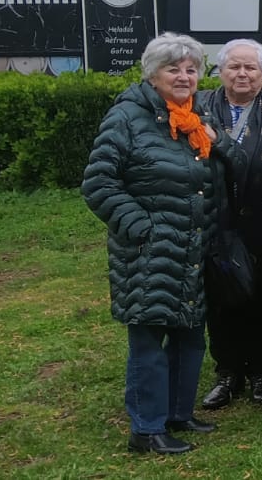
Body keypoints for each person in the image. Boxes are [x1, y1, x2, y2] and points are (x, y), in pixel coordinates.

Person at [83, 33, 226, 455]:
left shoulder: (192, 118)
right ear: (152, 73)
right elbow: (98, 183)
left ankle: (177, 413)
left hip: (191, 249)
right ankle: (146, 430)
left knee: (189, 336)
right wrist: (142, 229)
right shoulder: (128, 116)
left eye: (191, 69)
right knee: (149, 340)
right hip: (148, 251)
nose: (184, 76)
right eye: (173, 68)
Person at [197, 39, 262, 411]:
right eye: (234, 67)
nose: (243, 74)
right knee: (222, 298)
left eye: (251, 68)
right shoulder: (200, 107)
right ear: (221, 71)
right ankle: (228, 373)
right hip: (218, 218)